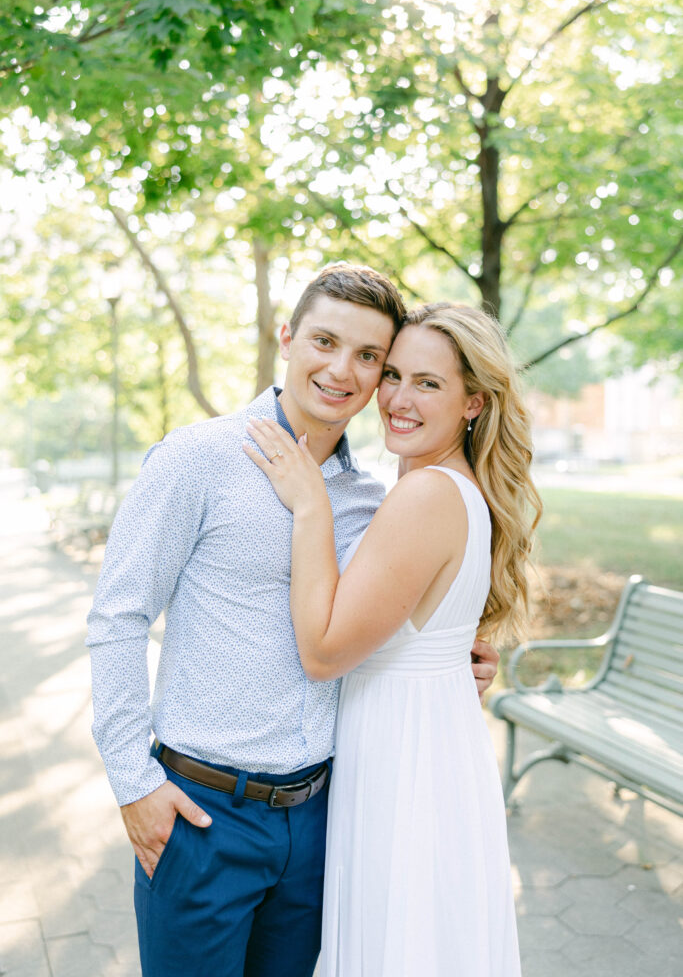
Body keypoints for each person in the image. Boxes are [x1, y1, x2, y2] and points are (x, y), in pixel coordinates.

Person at [86, 266, 500, 977]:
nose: (342, 370)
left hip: (323, 822)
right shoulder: (197, 458)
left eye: (369, 357)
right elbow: (117, 616)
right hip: (204, 815)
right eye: (325, 341)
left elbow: (368, 622)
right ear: (286, 337)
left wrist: (444, 658)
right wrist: (133, 783)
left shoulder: (373, 498)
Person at [244, 300, 542, 976]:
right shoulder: (444, 488)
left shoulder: (425, 494)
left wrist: (310, 505)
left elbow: (322, 653)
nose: (398, 400)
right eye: (393, 375)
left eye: (428, 383)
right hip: (426, 742)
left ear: (473, 402)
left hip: (406, 764)